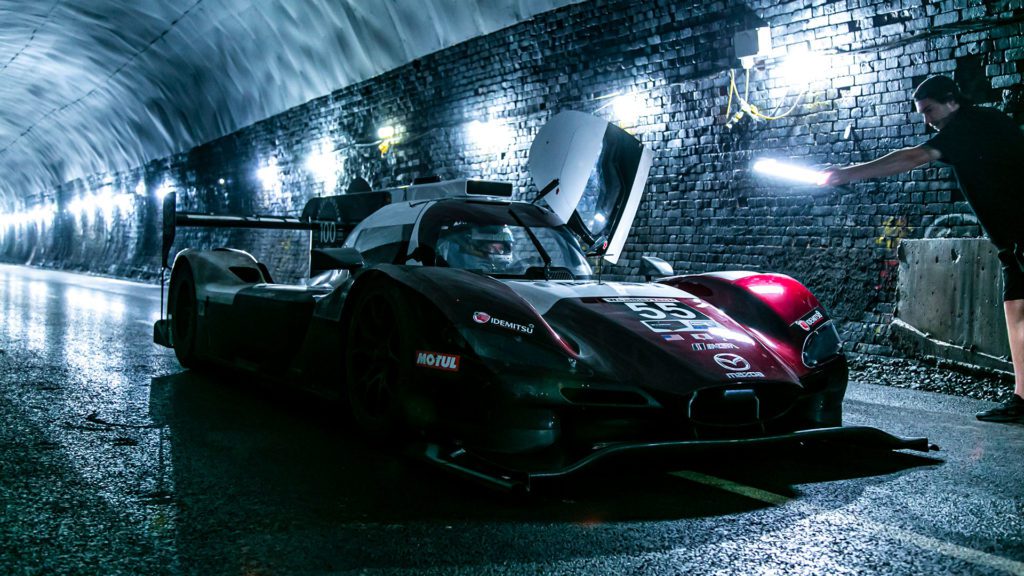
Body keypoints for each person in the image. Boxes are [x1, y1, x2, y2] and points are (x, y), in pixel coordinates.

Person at [821, 75, 1024, 423]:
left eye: (929, 110)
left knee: (1019, 310)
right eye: (922, 113)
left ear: (953, 101)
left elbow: (913, 157)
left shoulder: (971, 125)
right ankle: (1022, 398)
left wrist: (846, 174)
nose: (927, 120)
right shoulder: (976, 125)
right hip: (1011, 241)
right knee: (1016, 309)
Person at [435, 224, 516, 272]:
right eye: (491, 248)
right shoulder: (454, 251)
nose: (498, 252)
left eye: (501, 249)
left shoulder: (514, 271)